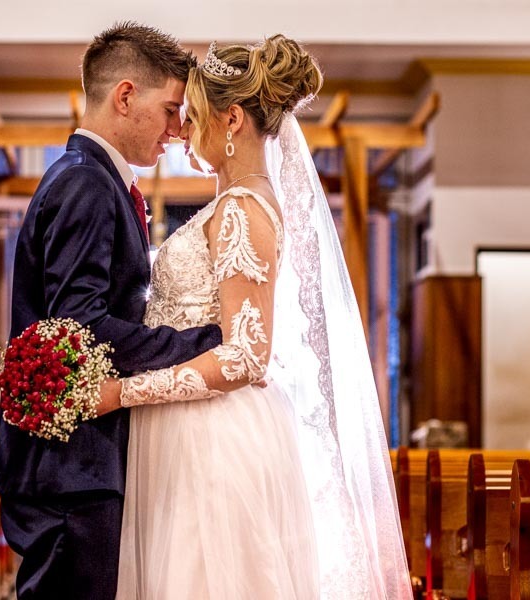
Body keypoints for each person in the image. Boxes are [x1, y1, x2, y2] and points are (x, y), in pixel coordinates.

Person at [97, 36, 412, 598]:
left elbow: (245, 356)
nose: (183, 131)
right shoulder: (237, 202)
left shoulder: (242, 208)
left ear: (232, 119)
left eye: (193, 117)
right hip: (189, 424)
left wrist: (123, 392)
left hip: (211, 433)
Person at [0, 23, 222, 600]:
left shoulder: (89, 178)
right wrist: (206, 342)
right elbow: (82, 327)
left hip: (78, 457)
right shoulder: (86, 184)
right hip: (72, 463)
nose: (177, 128)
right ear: (124, 96)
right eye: (170, 109)